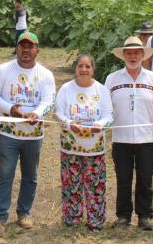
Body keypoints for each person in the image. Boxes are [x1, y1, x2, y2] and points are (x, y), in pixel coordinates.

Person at [0, 31, 56, 237]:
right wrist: (12, 110)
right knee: (5, 174)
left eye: (31, 46)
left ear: (37, 50)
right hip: (8, 134)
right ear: (17, 48)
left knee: (30, 176)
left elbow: (48, 101)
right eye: (22, 46)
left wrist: (35, 113)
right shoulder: (2, 70)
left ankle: (24, 212)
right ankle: (0, 217)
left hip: (33, 135)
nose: (26, 50)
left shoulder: (45, 75)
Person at [105, 36, 153, 231]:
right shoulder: (112, 79)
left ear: (142, 55)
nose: (133, 56)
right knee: (123, 178)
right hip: (120, 139)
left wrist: (145, 121)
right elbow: (106, 105)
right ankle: (123, 216)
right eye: (129, 53)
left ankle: (144, 216)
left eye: (136, 53)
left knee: (145, 178)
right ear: (123, 55)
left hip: (146, 138)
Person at [54, 54, 113, 230]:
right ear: (75, 69)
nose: (84, 70)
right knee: (71, 184)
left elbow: (109, 115)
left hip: (94, 148)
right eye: (80, 66)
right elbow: (58, 113)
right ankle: (72, 218)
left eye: (88, 66)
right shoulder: (66, 89)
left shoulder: (101, 90)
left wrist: (99, 125)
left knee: (95, 185)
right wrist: (70, 124)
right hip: (70, 147)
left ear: (93, 69)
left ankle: (95, 220)